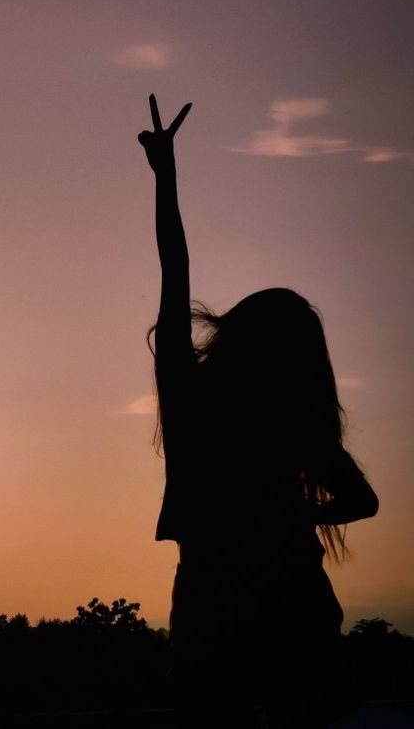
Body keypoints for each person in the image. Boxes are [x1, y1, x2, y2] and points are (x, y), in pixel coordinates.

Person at [137, 96, 379, 728]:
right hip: (291, 600)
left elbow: (174, 272)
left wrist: (165, 176)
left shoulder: (193, 399)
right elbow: (362, 501)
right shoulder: (288, 421)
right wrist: (302, 510)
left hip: (214, 604)